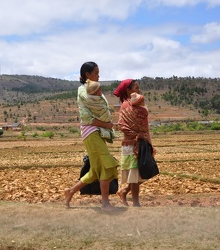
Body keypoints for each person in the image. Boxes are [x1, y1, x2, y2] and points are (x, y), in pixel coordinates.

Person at [64, 61, 119, 211]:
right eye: (96, 73)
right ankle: (105, 203)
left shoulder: (91, 90)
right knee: (106, 166)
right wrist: (106, 124)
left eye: (98, 73)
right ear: (87, 75)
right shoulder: (84, 92)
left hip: (96, 133)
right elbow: (88, 117)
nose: (98, 76)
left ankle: (71, 191)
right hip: (92, 132)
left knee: (96, 170)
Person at [113, 79, 156, 207]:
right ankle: (136, 203)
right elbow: (122, 125)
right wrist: (137, 135)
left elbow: (145, 127)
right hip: (131, 144)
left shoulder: (141, 107)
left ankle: (125, 191)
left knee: (145, 171)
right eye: (136, 88)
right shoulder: (125, 106)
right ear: (128, 91)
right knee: (136, 174)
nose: (139, 90)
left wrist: (150, 143)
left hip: (142, 142)